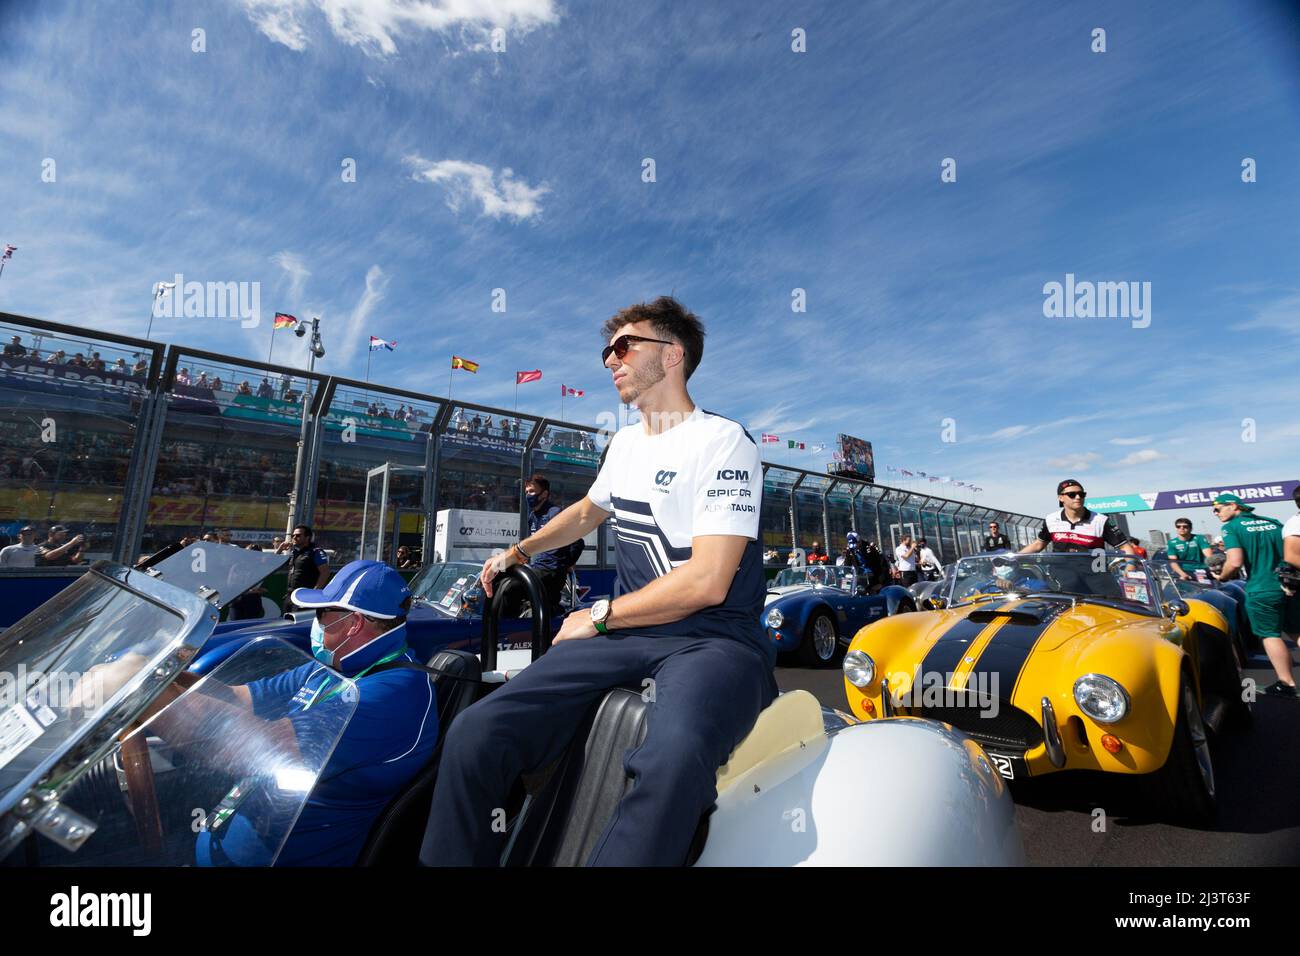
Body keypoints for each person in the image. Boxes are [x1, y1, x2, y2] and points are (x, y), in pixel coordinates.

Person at [422, 295, 776, 867]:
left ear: (672, 354)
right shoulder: (626, 442)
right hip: (629, 635)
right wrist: (518, 551)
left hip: (715, 638)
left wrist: (600, 615)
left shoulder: (723, 441)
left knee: (672, 757)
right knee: (476, 732)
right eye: (607, 351)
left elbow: (708, 582)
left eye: (624, 346)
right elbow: (588, 511)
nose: (610, 359)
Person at [1213, 493, 1295, 698]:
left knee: (1270, 635)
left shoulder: (1231, 527)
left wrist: (1222, 576)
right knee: (1297, 631)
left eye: (1217, 508)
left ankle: (1287, 683)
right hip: (1291, 584)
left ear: (1233, 506)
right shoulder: (1274, 522)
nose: (1215, 513)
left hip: (1262, 588)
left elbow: (1234, 562)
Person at [500, 473, 585, 618]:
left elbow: (578, 542)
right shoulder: (532, 517)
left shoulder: (555, 513)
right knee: (502, 580)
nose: (528, 495)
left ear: (544, 494)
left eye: (532, 491)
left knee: (511, 588)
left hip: (552, 571)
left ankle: (509, 627)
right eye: (527, 492)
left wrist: (565, 564)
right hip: (537, 567)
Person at [1020, 479, 1134, 554]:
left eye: (1081, 494)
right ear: (1061, 498)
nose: (1078, 497)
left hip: (1096, 574)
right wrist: (1014, 558)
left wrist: (1130, 568)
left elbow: (1125, 547)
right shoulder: (1051, 519)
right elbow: (1038, 545)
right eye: (1072, 495)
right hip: (1062, 574)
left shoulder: (1101, 520)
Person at [282, 525, 331, 613]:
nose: (294, 537)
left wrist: (314, 594)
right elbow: (273, 563)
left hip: (304, 597)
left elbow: (325, 572)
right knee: (286, 620)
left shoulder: (315, 552)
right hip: (290, 596)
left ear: (307, 537)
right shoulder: (294, 552)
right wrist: (280, 548)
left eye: (298, 535)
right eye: (293, 535)